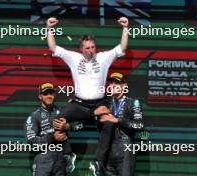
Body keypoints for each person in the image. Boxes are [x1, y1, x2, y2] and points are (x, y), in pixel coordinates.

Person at [47, 16, 129, 175]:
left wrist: (125, 27)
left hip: (100, 103)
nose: (91, 50)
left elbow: (122, 47)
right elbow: (53, 47)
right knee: (57, 119)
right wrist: (49, 28)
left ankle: (97, 162)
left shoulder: (104, 57)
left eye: (93, 47)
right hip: (79, 104)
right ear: (81, 49)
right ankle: (68, 154)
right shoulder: (73, 58)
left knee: (110, 124)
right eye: (88, 48)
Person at [25, 82, 82, 176]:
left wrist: (67, 126)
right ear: (40, 96)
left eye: (51, 93)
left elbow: (80, 124)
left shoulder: (62, 112)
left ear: (54, 95)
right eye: (45, 94)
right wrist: (52, 137)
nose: (49, 96)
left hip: (61, 161)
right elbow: (30, 142)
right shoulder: (34, 116)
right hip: (42, 161)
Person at [95, 72, 144, 176]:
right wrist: (97, 118)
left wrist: (118, 120)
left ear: (124, 85)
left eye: (117, 82)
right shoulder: (105, 103)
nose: (113, 85)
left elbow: (140, 125)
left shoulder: (133, 102)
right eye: (111, 82)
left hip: (126, 150)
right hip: (108, 151)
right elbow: (99, 128)